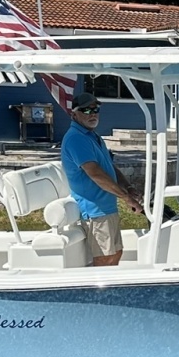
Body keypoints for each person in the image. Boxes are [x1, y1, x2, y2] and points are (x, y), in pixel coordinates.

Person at [59, 91, 141, 266]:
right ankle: (96, 286)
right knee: (105, 258)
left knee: (116, 253)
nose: (93, 114)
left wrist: (128, 188)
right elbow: (95, 173)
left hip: (106, 207)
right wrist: (126, 198)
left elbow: (109, 167)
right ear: (74, 114)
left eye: (95, 109)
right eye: (86, 110)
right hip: (95, 210)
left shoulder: (93, 136)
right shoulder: (76, 138)